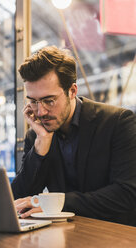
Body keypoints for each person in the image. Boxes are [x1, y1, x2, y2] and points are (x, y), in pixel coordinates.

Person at [11, 46, 136, 226]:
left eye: (49, 101)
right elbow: (19, 198)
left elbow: (127, 193)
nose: (40, 111)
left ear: (72, 91)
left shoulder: (117, 122)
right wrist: (41, 146)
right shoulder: (38, 136)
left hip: (114, 234)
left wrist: (58, 203)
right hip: (64, 236)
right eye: (33, 101)